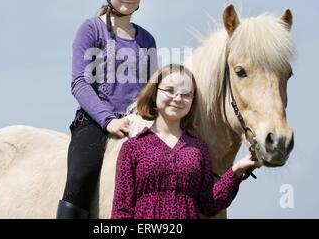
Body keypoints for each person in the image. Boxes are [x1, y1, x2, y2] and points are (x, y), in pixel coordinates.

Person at [56, 0, 158, 218]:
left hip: (138, 123)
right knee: (81, 176)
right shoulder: (91, 29)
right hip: (95, 122)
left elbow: (150, 91)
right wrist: (108, 120)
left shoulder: (147, 39)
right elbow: (79, 83)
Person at [111, 64, 261, 219]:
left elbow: (208, 205)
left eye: (186, 94)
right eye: (170, 90)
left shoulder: (198, 148)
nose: (178, 98)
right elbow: (122, 210)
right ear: (154, 94)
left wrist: (237, 170)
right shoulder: (132, 147)